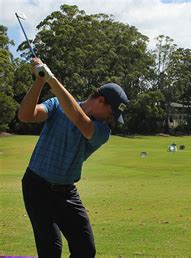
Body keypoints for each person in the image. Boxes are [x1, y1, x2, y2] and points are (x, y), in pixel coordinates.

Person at [18, 58, 129, 258]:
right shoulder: (55, 105)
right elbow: (26, 115)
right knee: (51, 250)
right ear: (100, 100)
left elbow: (79, 119)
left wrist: (52, 79)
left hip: (67, 193)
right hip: (36, 188)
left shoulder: (102, 131)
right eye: (111, 113)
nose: (111, 119)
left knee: (85, 249)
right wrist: (40, 81)